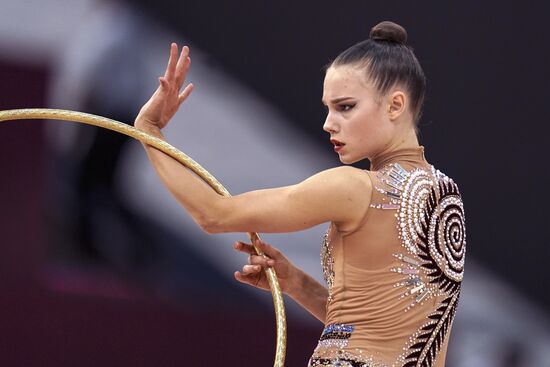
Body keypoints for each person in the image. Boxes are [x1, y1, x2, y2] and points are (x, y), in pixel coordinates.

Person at [134, 20, 466, 367]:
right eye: (328, 108)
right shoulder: (445, 194)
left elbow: (214, 214)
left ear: (395, 105)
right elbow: (378, 330)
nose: (328, 122)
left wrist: (148, 129)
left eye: (345, 107)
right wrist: (295, 282)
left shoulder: (352, 188)